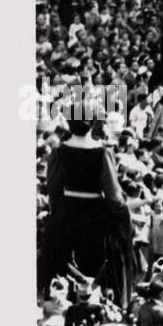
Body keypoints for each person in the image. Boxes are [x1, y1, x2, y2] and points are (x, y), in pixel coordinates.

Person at [40, 114, 135, 308]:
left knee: (55, 257)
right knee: (109, 256)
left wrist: (58, 212)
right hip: (96, 216)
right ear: (92, 125)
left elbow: (53, 188)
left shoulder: (58, 152)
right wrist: (123, 213)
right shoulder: (102, 153)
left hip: (67, 212)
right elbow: (113, 195)